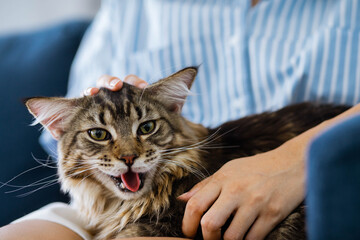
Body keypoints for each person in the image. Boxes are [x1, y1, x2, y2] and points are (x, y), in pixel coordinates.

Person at [1, 0, 360, 239]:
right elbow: (64, 136)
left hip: (297, 171)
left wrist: (293, 162)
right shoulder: (134, 6)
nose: (127, 151)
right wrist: (93, 106)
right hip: (105, 200)